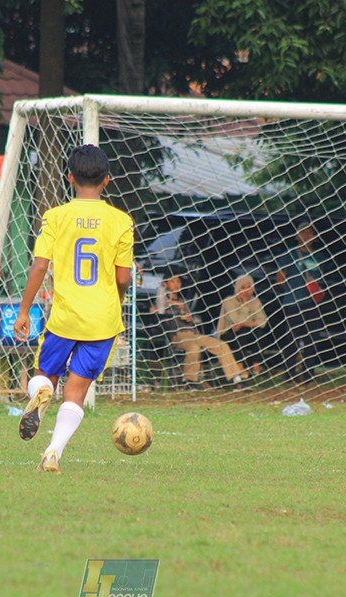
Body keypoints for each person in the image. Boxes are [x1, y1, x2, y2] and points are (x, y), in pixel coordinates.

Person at [13, 144, 134, 475]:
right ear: (107, 180)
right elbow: (123, 276)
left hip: (64, 317)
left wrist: (24, 310)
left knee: (45, 377)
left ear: (69, 178)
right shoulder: (121, 221)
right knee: (76, 391)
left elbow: (39, 266)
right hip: (102, 321)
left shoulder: (55, 217)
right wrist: (116, 298)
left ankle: (41, 393)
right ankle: (53, 451)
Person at [155, 269, 249, 390]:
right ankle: (189, 381)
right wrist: (171, 304)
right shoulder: (162, 298)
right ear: (165, 284)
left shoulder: (184, 300)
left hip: (194, 334)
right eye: (172, 281)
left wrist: (189, 318)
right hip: (178, 336)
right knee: (194, 347)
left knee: (221, 345)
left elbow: (191, 318)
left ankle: (236, 379)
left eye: (178, 281)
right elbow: (157, 310)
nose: (176, 284)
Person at [269, 222, 326, 383]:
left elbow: (321, 278)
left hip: (312, 303)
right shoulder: (289, 255)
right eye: (303, 232)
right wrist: (292, 289)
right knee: (292, 339)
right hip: (293, 303)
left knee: (312, 339)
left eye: (310, 233)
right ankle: (290, 375)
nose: (307, 236)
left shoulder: (318, 256)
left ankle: (309, 375)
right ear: (297, 236)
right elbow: (280, 278)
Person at [216, 273, 268, 377]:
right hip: (228, 332)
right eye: (243, 288)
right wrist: (244, 304)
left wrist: (245, 324)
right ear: (238, 288)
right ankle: (240, 367)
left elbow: (262, 321)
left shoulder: (254, 301)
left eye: (249, 288)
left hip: (247, 330)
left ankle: (256, 366)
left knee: (259, 333)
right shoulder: (229, 301)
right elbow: (236, 321)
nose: (246, 291)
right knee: (243, 332)